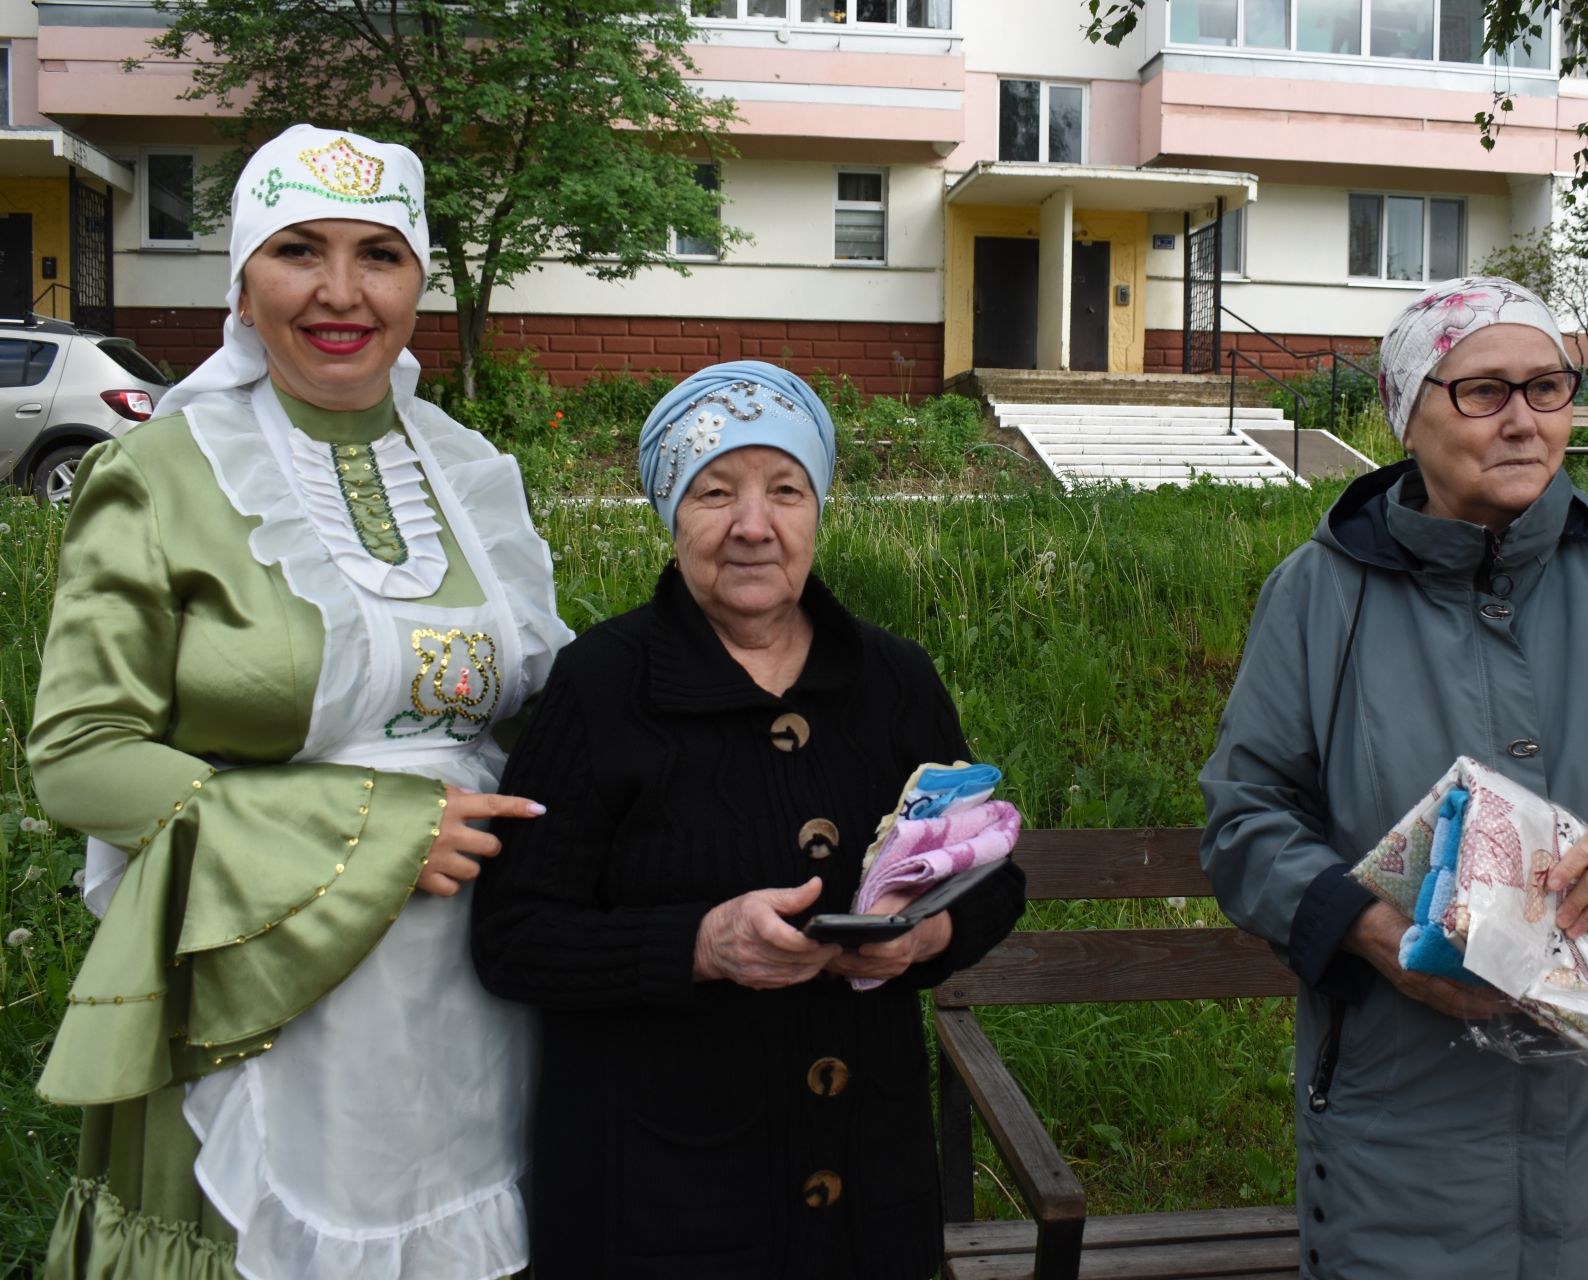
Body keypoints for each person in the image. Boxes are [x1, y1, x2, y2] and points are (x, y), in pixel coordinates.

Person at [28, 125, 571, 1279]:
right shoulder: (163, 474)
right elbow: (80, 752)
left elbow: (541, 717)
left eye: (379, 254)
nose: (340, 291)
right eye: (297, 250)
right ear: (242, 282)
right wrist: (368, 831)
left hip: (470, 996)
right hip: (252, 983)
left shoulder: (472, 475)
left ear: (418, 281)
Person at [1198, 277, 1588, 1277]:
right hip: (1407, 1122)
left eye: (1546, 387)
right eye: (1483, 391)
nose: (1523, 420)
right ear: (1408, 413)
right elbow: (1243, 819)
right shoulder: (1317, 596)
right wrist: (1371, 929)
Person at [469, 359, 1027, 1279]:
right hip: (663, 1201)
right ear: (671, 513)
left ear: (819, 510)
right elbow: (514, 936)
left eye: (786, 490)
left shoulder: (894, 679)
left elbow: (993, 878)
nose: (753, 526)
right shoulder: (602, 685)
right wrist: (701, 944)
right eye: (715, 491)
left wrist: (924, 939)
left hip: (866, 1188)